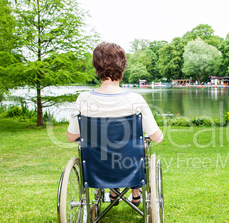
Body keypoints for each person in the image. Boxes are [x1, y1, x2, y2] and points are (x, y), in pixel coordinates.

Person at [67, 41, 163, 206]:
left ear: (96, 68)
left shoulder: (84, 99)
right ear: (123, 68)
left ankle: (113, 190)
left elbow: (71, 137)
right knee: (135, 149)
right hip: (129, 168)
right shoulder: (135, 100)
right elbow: (157, 137)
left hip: (97, 170)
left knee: (104, 148)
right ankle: (134, 191)